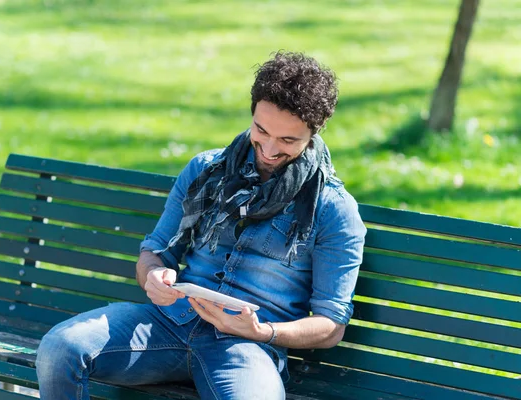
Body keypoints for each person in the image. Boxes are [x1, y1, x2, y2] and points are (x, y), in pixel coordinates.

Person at [36, 51, 367, 400]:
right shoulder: (206, 171)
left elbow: (330, 327)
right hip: (169, 322)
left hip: (246, 346)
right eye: (261, 130)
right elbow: (156, 252)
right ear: (252, 112)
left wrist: (263, 331)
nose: (269, 149)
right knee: (60, 348)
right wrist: (153, 276)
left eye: (288, 141)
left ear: (314, 133)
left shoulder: (333, 209)